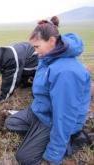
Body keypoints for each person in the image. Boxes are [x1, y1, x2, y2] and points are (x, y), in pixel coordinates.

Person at [5, 16, 92, 165]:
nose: (35, 51)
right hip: (42, 111)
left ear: (51, 41)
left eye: (37, 47)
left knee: (24, 158)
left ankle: (73, 140)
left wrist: (54, 154)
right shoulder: (48, 58)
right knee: (11, 123)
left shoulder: (66, 72)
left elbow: (64, 116)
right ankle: (39, 135)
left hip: (54, 119)